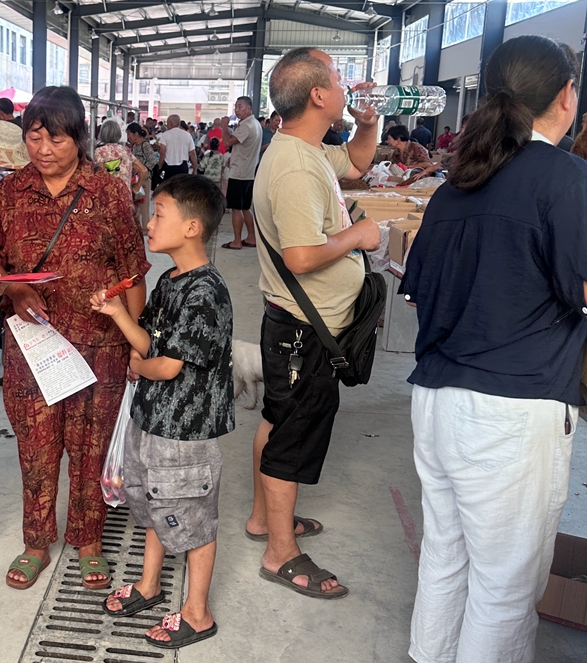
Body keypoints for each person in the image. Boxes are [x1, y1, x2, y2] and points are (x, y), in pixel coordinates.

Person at [401, 35, 585, 663]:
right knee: (504, 588)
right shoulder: (564, 178)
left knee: (446, 557)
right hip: (512, 409)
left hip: (437, 401)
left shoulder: (458, 184)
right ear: (567, 95)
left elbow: (419, 293)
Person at [0, 86, 150, 593]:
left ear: (79, 138)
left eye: (56, 139)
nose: (44, 149)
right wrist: (14, 288)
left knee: (91, 448)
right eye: (34, 137)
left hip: (100, 347)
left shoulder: (108, 192)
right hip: (33, 350)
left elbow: (132, 271)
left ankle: (88, 539)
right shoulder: (11, 191)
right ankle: (36, 541)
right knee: (36, 447)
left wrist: (136, 346)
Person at [247, 48, 380, 599]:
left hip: (297, 324)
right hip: (305, 329)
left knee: (279, 420)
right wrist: (359, 236)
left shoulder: (307, 148)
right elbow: (301, 256)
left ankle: (264, 519)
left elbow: (358, 165)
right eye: (339, 78)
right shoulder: (297, 166)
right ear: (319, 95)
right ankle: (280, 553)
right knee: (294, 436)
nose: (348, 86)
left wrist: (367, 125)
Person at [92, 175, 232, 649]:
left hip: (185, 434)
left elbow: (167, 366)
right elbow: (149, 342)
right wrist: (118, 315)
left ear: (192, 227)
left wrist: (138, 365)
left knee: (193, 517)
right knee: (155, 502)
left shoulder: (206, 292)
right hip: (152, 419)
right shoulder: (169, 281)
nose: (149, 224)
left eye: (158, 214)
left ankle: (198, 612)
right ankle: (150, 584)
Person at [221, 96, 261, 250]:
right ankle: (251, 237)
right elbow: (244, 147)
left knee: (236, 208)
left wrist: (224, 126)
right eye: (236, 107)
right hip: (249, 171)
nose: (237, 110)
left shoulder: (246, 125)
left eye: (240, 106)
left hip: (239, 172)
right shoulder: (255, 123)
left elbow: (227, 142)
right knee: (245, 207)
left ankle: (237, 241)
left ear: (249, 108)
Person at [94, 118, 148, 192]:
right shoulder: (126, 150)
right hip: (125, 195)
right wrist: (136, 189)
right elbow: (144, 170)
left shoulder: (100, 151)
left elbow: (101, 176)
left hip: (108, 195)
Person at [127, 121, 157, 222]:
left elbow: (152, 161)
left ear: (136, 134)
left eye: (129, 134)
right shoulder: (134, 146)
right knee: (135, 207)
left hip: (144, 180)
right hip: (134, 180)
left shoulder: (145, 145)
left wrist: (142, 170)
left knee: (144, 207)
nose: (128, 137)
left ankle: (145, 228)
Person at [157, 114, 197, 185]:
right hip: (182, 167)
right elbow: (192, 154)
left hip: (168, 166)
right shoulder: (187, 135)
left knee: (169, 187)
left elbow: (162, 152)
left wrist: (159, 165)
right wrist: (195, 169)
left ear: (170, 123)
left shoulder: (165, 135)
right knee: (181, 187)